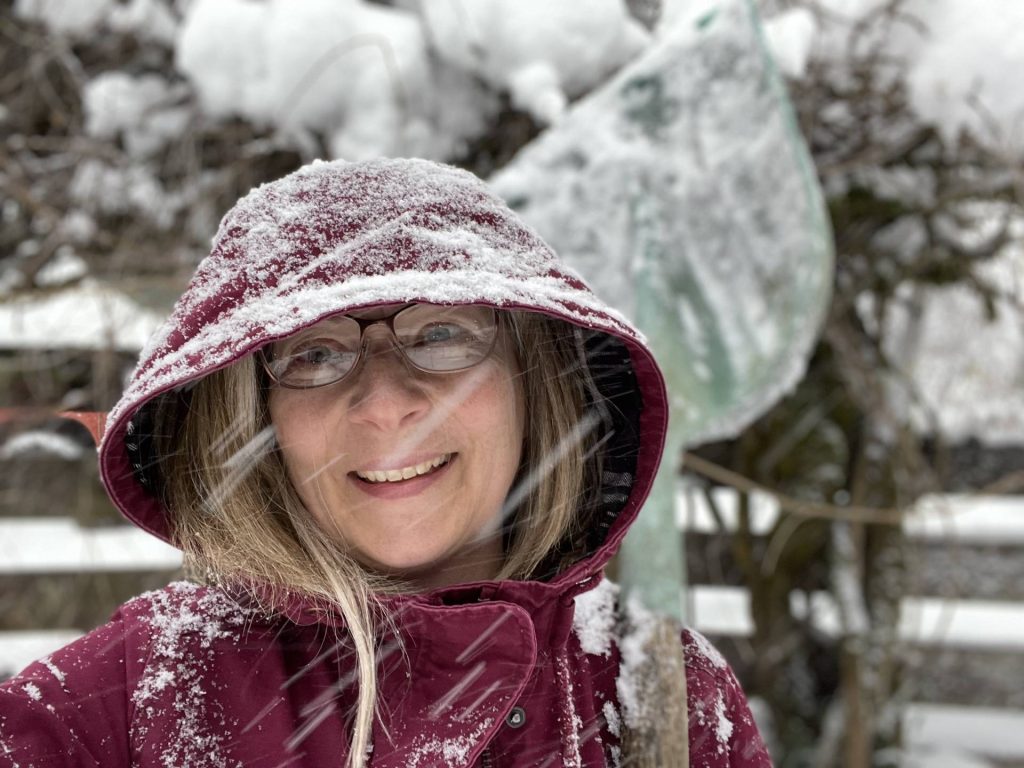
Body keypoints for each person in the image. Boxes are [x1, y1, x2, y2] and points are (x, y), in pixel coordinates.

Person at [0, 159, 772, 767]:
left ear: (533, 379)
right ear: (253, 414)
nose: (385, 403)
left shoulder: (662, 690)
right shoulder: (124, 703)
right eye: (314, 353)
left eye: (440, 333)